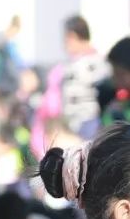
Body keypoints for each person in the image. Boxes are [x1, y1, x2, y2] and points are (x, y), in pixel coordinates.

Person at [33, 15, 106, 151]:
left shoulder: (78, 66)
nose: (64, 44)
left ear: (71, 36)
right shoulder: (101, 62)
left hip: (86, 127)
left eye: (65, 39)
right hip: (82, 127)